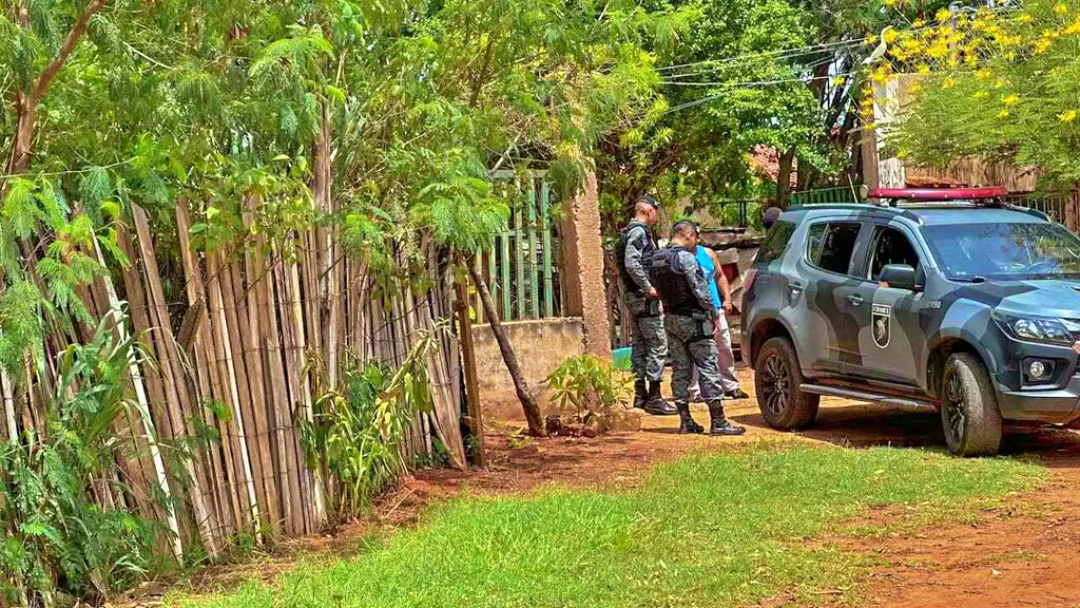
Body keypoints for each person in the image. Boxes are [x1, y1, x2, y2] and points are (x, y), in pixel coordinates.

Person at [650, 221, 747, 436]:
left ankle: (685, 420)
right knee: (708, 367)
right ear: (689, 235)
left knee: (680, 370)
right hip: (694, 321)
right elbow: (700, 290)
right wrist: (712, 313)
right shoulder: (686, 258)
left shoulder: (657, 258)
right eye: (696, 238)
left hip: (671, 319)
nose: (697, 243)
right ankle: (718, 420)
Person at [616, 195, 676, 416]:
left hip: (634, 297)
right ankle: (654, 397)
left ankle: (640, 395)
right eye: (655, 212)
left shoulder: (627, 232)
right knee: (658, 344)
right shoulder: (639, 233)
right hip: (644, 298)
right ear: (650, 212)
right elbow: (632, 263)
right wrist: (649, 287)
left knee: (640, 344)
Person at [688, 243, 749, 401]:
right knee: (693, 349)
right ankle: (693, 390)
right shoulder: (678, 256)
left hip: (714, 307)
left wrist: (727, 299)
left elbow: (720, 275)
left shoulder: (708, 253)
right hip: (691, 310)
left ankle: (729, 385)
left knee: (724, 345)